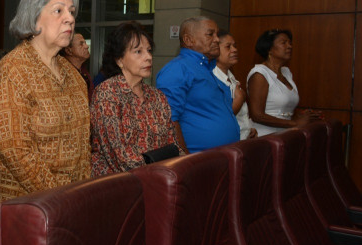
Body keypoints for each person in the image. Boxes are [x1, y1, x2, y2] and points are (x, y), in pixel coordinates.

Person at [0, 0, 91, 204]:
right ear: (33, 18)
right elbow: (16, 152)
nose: (70, 18)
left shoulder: (74, 76)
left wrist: (83, 194)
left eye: (71, 12)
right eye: (58, 11)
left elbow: (84, 147)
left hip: (73, 202)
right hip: (26, 207)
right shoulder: (13, 71)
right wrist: (63, 198)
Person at [91, 22, 181, 176]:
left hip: (159, 178)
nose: (148, 57)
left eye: (149, 51)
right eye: (138, 52)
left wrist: (184, 164)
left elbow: (172, 145)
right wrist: (160, 172)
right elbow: (119, 156)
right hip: (118, 184)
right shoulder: (107, 93)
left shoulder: (157, 96)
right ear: (119, 60)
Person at [155, 16, 239, 153]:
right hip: (197, 161)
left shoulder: (207, 69)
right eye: (210, 34)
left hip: (222, 156)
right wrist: (186, 161)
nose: (217, 39)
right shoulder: (177, 69)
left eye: (217, 34)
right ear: (188, 40)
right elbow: (169, 120)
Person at [247, 28, 320, 136]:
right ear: (269, 49)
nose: (289, 46)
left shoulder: (286, 72)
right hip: (264, 137)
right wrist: (295, 123)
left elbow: (281, 111)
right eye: (283, 43)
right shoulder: (260, 74)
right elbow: (257, 115)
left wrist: (302, 117)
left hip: (286, 134)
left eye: (290, 43)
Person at [213, 30, 256, 140]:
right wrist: (239, 99)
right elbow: (220, 118)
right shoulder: (212, 78)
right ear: (215, 50)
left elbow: (241, 115)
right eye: (228, 47)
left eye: (235, 46)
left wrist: (248, 127)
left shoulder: (231, 76)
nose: (235, 50)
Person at [61, 32, 93, 99]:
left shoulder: (83, 70)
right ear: (68, 51)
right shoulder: (62, 74)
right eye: (81, 44)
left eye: (85, 43)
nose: (87, 46)